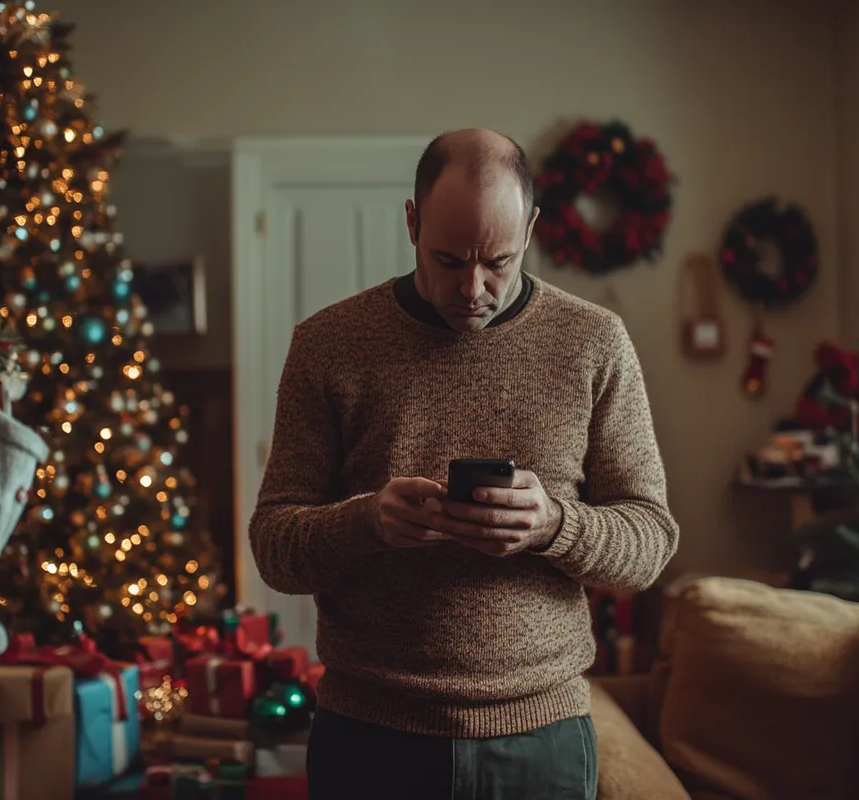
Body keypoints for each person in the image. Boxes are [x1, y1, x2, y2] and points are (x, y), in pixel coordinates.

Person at [249, 128, 679, 800]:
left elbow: (650, 542)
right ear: (412, 222)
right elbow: (274, 549)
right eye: (448, 260)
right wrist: (368, 523)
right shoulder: (327, 346)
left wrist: (553, 526)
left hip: (541, 740)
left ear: (531, 230)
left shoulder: (595, 343)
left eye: (497, 262)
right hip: (369, 736)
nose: (472, 288)